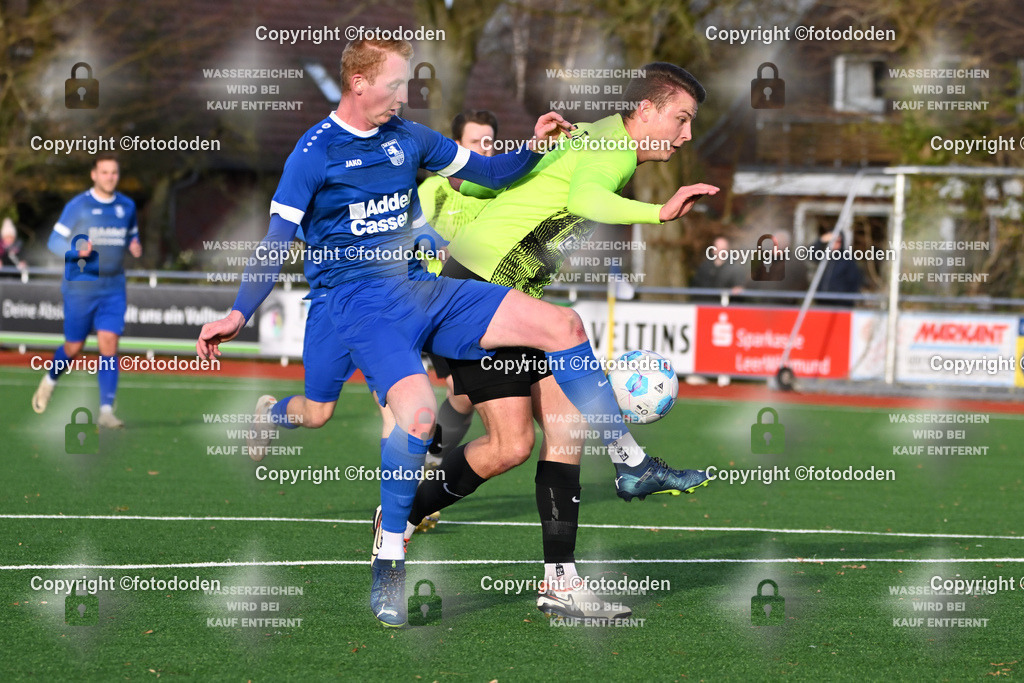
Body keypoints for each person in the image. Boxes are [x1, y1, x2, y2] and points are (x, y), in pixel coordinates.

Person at [197, 38, 695, 629]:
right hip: (352, 304)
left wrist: (532, 148)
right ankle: (385, 545)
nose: (403, 96)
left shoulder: (409, 137)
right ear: (358, 84)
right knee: (343, 413)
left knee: (562, 331)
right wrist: (238, 313)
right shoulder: (313, 152)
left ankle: (615, 486)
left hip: (422, 288)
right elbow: (276, 241)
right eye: (394, 85)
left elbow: (488, 174)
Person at [397, 62, 719, 619]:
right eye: (681, 118)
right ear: (646, 111)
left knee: (538, 439)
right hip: (473, 290)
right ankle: (631, 462)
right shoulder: (612, 150)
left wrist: (514, 160)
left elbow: (483, 183)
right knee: (563, 338)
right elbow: (589, 200)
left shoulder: (591, 136)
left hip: (506, 299)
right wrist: (659, 213)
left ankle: (559, 583)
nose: (687, 134)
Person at [32, 153, 141, 428]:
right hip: (82, 286)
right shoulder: (78, 205)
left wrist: (134, 244)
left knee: (109, 344)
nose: (110, 177)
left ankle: (106, 411)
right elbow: (54, 241)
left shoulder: (127, 206)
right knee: (74, 347)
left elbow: (132, 234)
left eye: (114, 172)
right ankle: (50, 380)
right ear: (94, 175)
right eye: (104, 172)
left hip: (114, 286)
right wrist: (75, 251)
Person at [807, 228, 862, 307]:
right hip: (822, 301)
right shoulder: (824, 256)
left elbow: (854, 280)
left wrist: (848, 300)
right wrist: (821, 240)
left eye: (838, 241)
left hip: (840, 303)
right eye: (833, 241)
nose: (836, 243)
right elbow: (808, 253)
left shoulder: (847, 258)